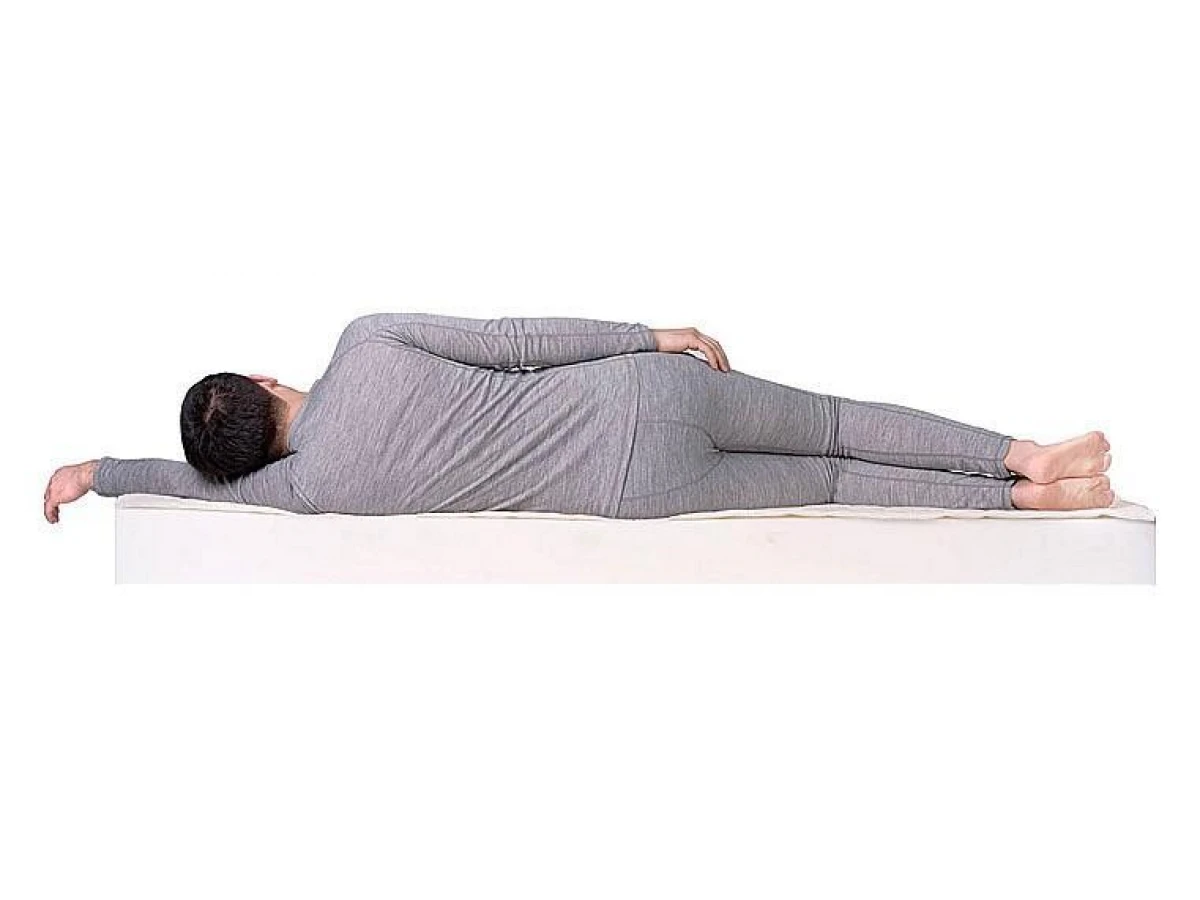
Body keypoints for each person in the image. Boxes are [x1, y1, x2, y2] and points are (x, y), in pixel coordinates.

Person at [43, 313, 1114, 524]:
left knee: (832, 482)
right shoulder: (365, 346)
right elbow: (519, 339)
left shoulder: (310, 490)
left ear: (246, 464)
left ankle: (1022, 503)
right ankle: (1019, 455)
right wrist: (652, 334)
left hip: (634, 490)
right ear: (267, 381)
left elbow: (198, 486)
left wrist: (102, 473)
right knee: (835, 421)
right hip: (639, 392)